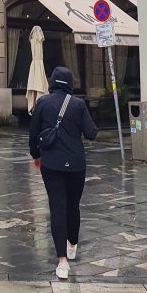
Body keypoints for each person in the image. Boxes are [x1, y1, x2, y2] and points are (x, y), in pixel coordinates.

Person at [29, 65, 98, 280]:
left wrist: (36, 156)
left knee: (57, 207)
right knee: (73, 205)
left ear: (51, 82)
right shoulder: (78, 105)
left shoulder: (42, 103)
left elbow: (33, 134)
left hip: (51, 164)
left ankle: (62, 262)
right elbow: (91, 133)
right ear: (70, 84)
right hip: (76, 164)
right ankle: (72, 245)